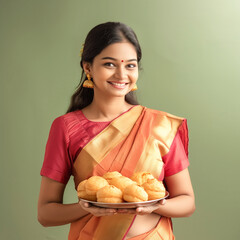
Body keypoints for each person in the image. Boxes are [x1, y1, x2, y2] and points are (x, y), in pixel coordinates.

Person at [38, 22, 195, 240]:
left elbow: (187, 201)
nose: (121, 74)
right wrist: (86, 207)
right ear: (88, 67)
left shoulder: (159, 124)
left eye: (130, 65)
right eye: (110, 64)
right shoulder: (66, 127)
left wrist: (153, 205)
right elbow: (46, 213)